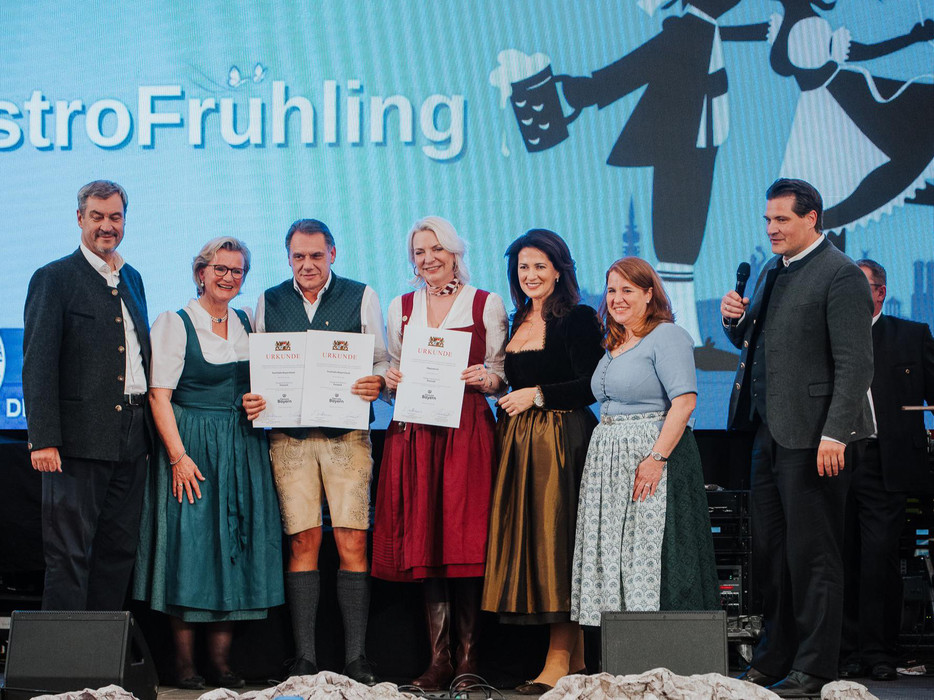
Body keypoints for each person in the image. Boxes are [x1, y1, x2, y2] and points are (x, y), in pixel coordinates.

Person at [721, 178, 874, 697]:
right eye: (768, 219)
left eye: (781, 219)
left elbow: (856, 364)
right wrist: (732, 322)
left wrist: (836, 433)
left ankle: (816, 666)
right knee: (772, 554)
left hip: (816, 438)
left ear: (811, 218)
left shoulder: (841, 273)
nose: (771, 228)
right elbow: (755, 342)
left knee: (814, 556)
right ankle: (774, 658)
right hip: (769, 431)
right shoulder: (772, 268)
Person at [560, 0, 767, 346]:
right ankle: (675, 333)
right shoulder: (686, 31)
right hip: (681, 144)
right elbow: (635, 68)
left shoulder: (702, 28)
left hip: (700, 143)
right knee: (675, 242)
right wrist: (585, 90)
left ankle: (685, 334)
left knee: (685, 242)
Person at [133, 237, 284, 689]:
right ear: (201, 272)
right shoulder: (175, 323)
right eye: (219, 268)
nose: (228, 277)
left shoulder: (246, 321)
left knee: (233, 546)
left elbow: (264, 383)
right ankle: (184, 665)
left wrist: (258, 401)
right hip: (192, 446)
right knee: (192, 549)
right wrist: (178, 457)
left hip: (240, 445)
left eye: (237, 271)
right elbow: (158, 397)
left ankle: (220, 663)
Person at [244, 219, 388, 685]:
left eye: (316, 256)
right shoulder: (269, 300)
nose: (307, 264)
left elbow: (382, 361)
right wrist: (255, 398)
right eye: (298, 256)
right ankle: (304, 659)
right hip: (290, 438)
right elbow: (259, 370)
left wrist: (377, 381)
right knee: (302, 541)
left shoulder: (361, 295)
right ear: (288, 257)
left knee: (353, 541)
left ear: (333, 254)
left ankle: (357, 658)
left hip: (348, 436)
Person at [372, 216, 508, 691]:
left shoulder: (486, 303)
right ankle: (439, 661)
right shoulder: (401, 306)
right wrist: (391, 381)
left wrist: (486, 379)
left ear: (455, 253)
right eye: (419, 252)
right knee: (427, 543)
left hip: (466, 430)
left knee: (464, 544)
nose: (428, 259)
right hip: (416, 433)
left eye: (436, 249)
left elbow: (500, 374)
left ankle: (468, 659)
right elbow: (392, 372)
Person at [482, 229, 604, 695]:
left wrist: (536, 395)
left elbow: (592, 384)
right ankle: (575, 659)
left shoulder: (577, 318)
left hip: (561, 442)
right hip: (520, 445)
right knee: (536, 546)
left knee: (558, 545)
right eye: (523, 267)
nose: (530, 275)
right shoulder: (518, 319)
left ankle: (558, 661)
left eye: (539, 266)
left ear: (558, 270)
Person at [23, 180, 151, 611]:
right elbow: (38, 364)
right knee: (69, 555)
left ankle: (102, 650)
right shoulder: (54, 278)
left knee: (118, 552)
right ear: (80, 218)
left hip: (133, 437)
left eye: (115, 217)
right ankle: (63, 653)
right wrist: (43, 438)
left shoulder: (132, 278)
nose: (106, 226)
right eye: (97, 216)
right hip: (76, 441)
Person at [571, 257, 718, 626]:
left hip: (650, 456)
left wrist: (656, 459)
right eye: (611, 290)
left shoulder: (667, 336)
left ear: (649, 294)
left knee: (650, 553)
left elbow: (684, 402)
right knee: (616, 552)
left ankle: (657, 640)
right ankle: (620, 639)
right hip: (610, 462)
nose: (617, 298)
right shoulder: (616, 341)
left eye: (628, 290)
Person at [838, 259, 934, 682]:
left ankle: (878, 652)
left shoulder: (911, 335)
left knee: (879, 557)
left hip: (885, 461)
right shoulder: (829, 334)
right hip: (834, 458)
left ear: (880, 292)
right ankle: (845, 651)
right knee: (839, 556)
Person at [768, 0, 934, 231]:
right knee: (834, 192)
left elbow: (862, 51)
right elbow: (861, 51)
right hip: (825, 108)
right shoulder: (787, 24)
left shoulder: (804, 25)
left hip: (843, 98)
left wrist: (911, 38)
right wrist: (912, 38)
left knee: (857, 178)